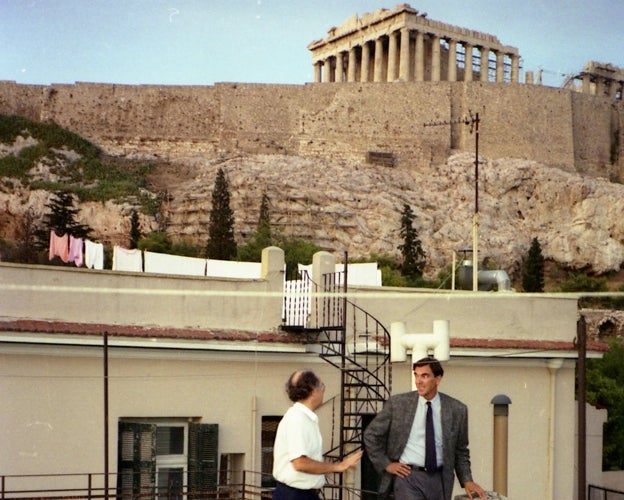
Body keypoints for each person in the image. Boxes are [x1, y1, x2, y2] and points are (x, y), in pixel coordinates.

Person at [363, 357, 486, 500]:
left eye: (425, 376)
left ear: (438, 379)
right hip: (408, 478)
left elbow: (461, 450)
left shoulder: (457, 410)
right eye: (416, 375)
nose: (418, 381)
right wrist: (386, 464)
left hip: (440, 480)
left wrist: (467, 480)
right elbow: (371, 435)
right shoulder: (398, 404)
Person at [272, 370, 363, 499]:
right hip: (295, 495)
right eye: (322, 386)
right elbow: (300, 463)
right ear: (313, 391)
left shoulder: (304, 418)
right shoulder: (297, 419)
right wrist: (338, 466)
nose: (323, 391)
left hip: (302, 494)